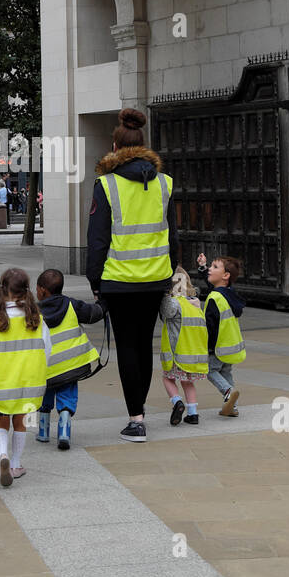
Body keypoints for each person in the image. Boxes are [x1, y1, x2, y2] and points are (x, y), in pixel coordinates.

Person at [86, 107, 178, 443]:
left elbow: (97, 240)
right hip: (155, 279)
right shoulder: (164, 184)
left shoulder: (106, 185)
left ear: (115, 145)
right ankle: (140, 414)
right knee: (143, 344)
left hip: (119, 281)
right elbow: (173, 236)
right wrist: (168, 274)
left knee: (126, 346)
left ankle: (136, 417)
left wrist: (95, 281)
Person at [0, 268, 50, 487]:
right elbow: (46, 350)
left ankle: (3, 455)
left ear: (2, 291)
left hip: (3, 383)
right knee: (21, 423)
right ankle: (16, 464)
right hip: (30, 382)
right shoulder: (38, 321)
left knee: (1, 422)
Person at [35, 269, 103, 450]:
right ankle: (64, 429)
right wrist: (103, 304)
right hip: (70, 365)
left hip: (45, 368)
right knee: (67, 395)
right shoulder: (72, 305)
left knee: (43, 397)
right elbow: (93, 314)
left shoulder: (34, 312)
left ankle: (42, 431)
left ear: (42, 290)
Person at [196, 252, 245, 417]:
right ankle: (232, 406)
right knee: (225, 373)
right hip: (230, 346)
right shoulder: (228, 293)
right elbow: (213, 286)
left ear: (225, 275)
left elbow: (210, 327)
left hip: (217, 346)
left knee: (210, 371)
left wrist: (206, 347)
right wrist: (202, 268)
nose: (210, 268)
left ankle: (228, 393)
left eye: (214, 267)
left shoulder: (214, 299)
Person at [159, 266, 208, 427]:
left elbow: (165, 313)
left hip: (176, 353)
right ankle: (193, 414)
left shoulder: (173, 304)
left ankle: (177, 401)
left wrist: (163, 295)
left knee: (168, 378)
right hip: (191, 354)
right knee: (188, 383)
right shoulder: (195, 304)